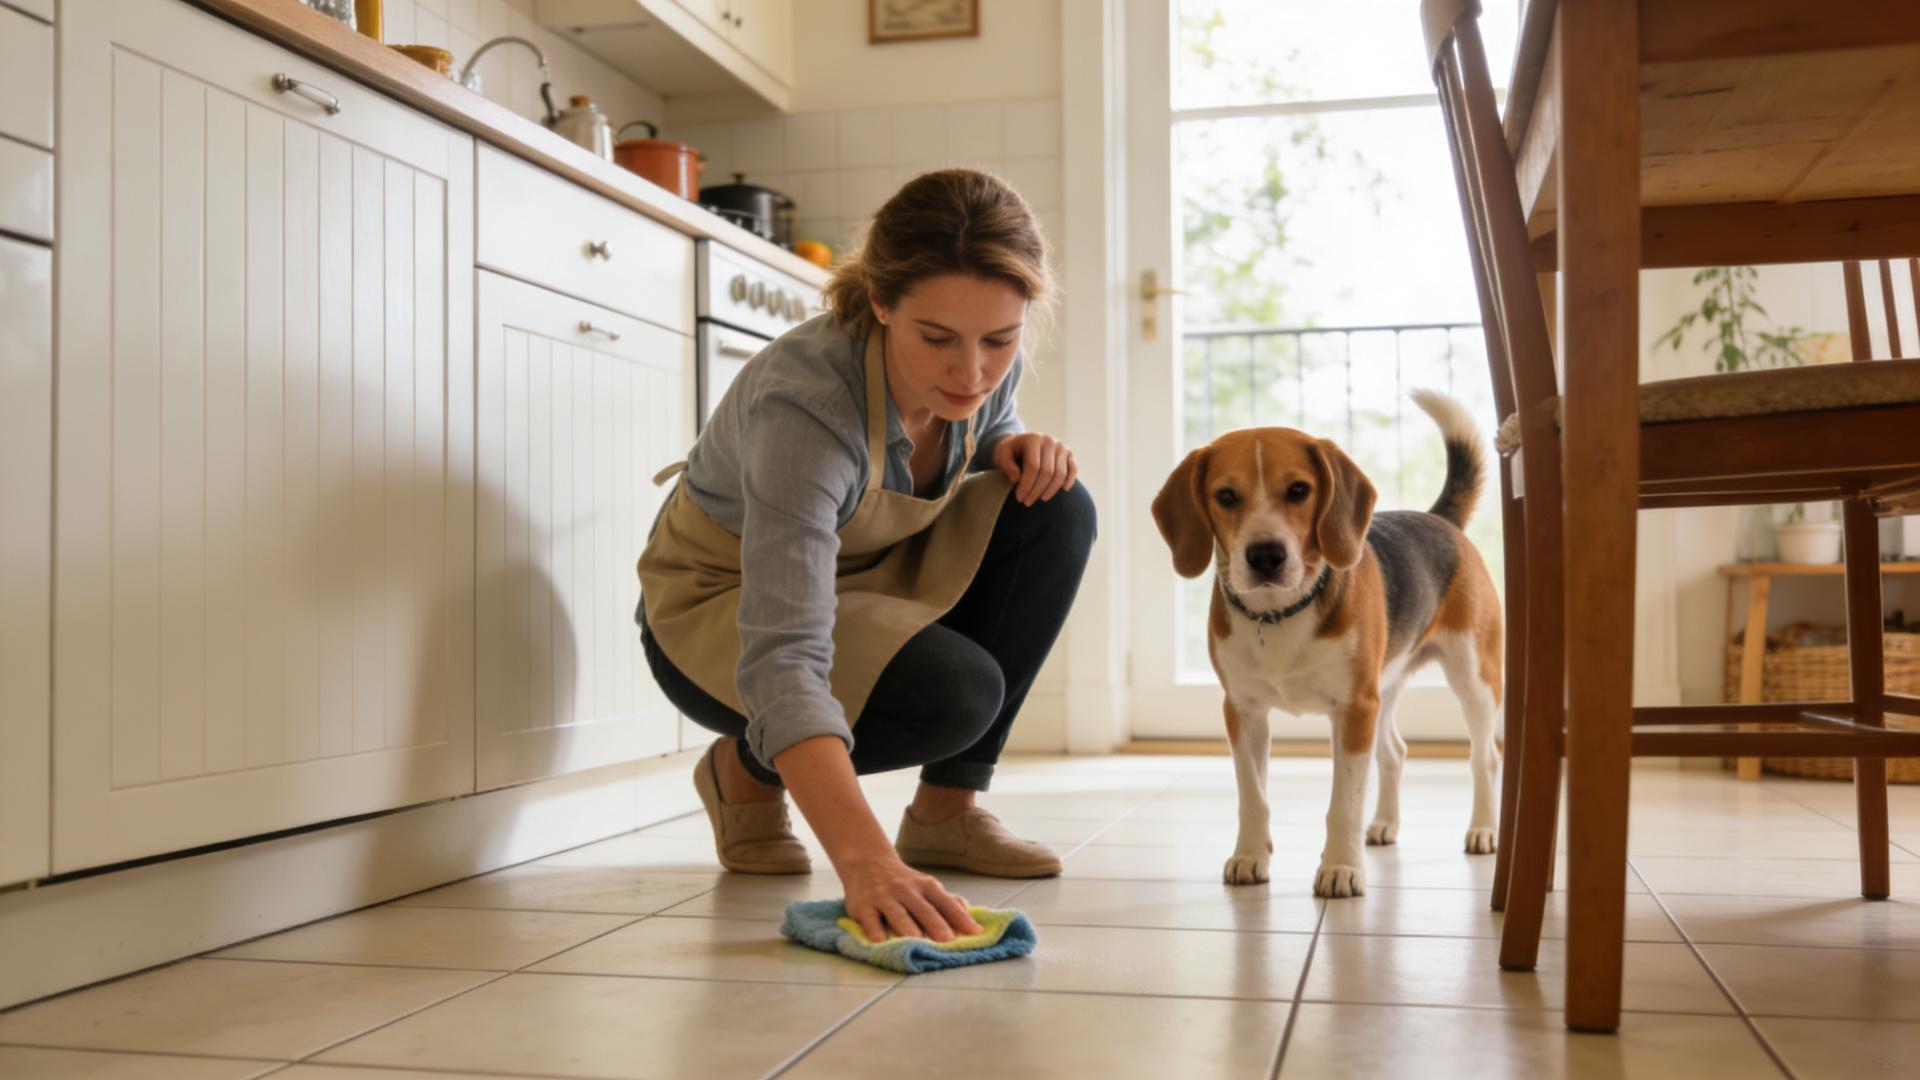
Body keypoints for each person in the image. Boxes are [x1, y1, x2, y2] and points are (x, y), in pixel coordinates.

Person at [638, 169, 1095, 945]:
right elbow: (786, 653)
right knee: (953, 695)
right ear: (880, 302)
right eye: (938, 339)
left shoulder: (982, 361)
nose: (972, 372)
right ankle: (743, 772)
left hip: (865, 576)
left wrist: (1010, 441)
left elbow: (988, 416)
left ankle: (947, 816)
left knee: (1054, 506)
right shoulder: (807, 410)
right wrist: (865, 862)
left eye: (1000, 340)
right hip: (723, 604)